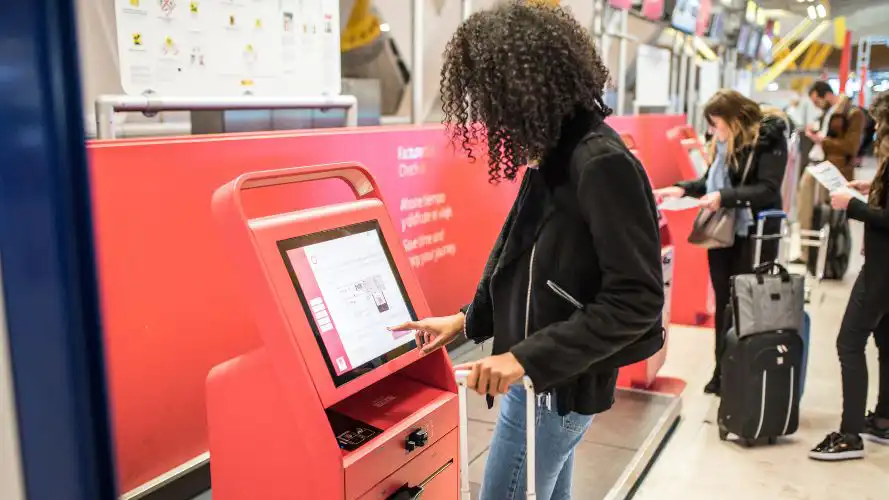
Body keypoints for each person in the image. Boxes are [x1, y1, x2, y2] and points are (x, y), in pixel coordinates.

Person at [390, 3, 665, 498]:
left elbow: (637, 300)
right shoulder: (556, 153)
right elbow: (517, 258)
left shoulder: (598, 162)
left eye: (490, 93)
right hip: (538, 380)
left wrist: (525, 359)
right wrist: (467, 322)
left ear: (524, 85)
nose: (486, 111)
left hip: (556, 387)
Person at [655, 90, 788, 396]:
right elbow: (710, 181)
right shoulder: (725, 143)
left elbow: (767, 190)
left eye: (717, 123)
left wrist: (724, 197)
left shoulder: (768, 140)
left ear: (735, 119)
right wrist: (680, 189)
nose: (714, 131)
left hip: (752, 234)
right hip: (724, 234)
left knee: (745, 305)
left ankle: (743, 371)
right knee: (724, 304)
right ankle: (722, 369)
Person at [809, 91, 889, 461]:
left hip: (882, 270)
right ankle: (884, 419)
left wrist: (854, 206)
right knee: (885, 342)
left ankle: (850, 433)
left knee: (849, 342)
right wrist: (869, 192)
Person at [795, 81, 865, 264]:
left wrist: (822, 141)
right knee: (806, 212)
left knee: (832, 218)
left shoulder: (853, 113)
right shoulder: (828, 114)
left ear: (826, 95)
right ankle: (807, 255)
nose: (816, 105)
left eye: (817, 100)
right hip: (817, 167)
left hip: (835, 172)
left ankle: (829, 259)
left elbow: (851, 147)